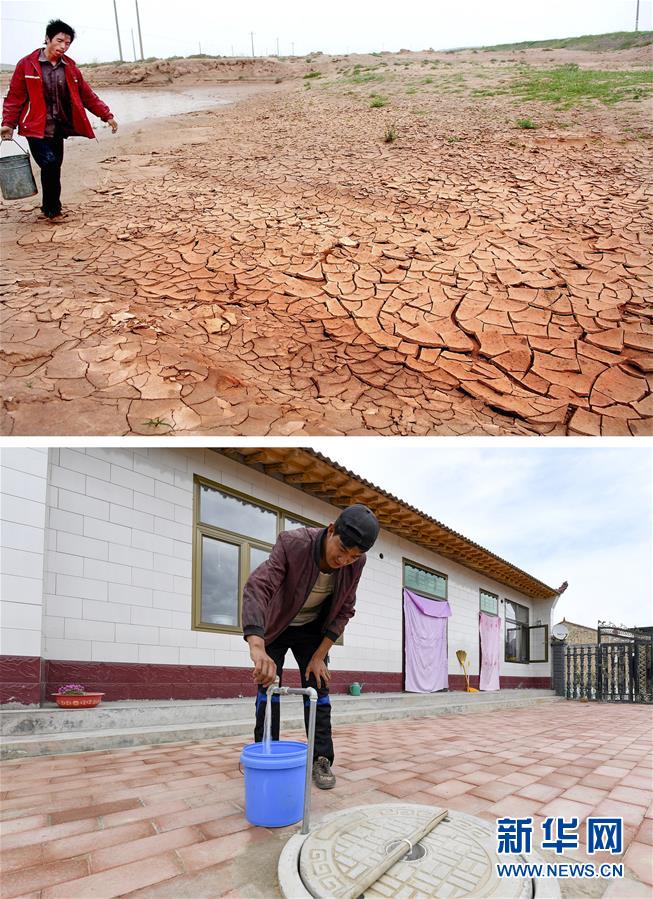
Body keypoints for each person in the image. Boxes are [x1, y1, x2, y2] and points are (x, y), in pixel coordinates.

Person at [243, 503, 380, 790]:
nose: (344, 559)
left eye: (354, 556)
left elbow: (345, 608)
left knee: (318, 689)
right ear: (331, 530)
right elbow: (259, 586)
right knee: (268, 689)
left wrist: (319, 656)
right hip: (277, 625)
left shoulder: (356, 562)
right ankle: (266, 751)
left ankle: (320, 759)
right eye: (342, 550)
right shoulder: (293, 543)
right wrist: (257, 645)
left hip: (312, 632)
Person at [1, 19, 118, 220]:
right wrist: (8, 124)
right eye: (60, 40)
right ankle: (54, 210)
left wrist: (106, 115)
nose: (63, 46)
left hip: (58, 127)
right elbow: (15, 97)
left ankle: (49, 208)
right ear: (47, 39)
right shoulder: (27, 65)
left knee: (54, 168)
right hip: (34, 128)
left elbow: (87, 95)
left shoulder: (70, 67)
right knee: (50, 163)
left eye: (68, 43)